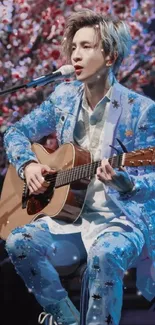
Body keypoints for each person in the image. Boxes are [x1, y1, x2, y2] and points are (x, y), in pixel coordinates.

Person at [3, 9, 155, 325]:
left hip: (120, 220)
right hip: (68, 221)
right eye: (73, 47)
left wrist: (129, 184)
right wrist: (28, 165)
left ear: (110, 56)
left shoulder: (141, 111)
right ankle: (66, 318)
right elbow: (15, 131)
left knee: (104, 254)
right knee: (19, 242)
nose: (75, 54)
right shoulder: (63, 98)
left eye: (86, 47)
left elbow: (152, 177)